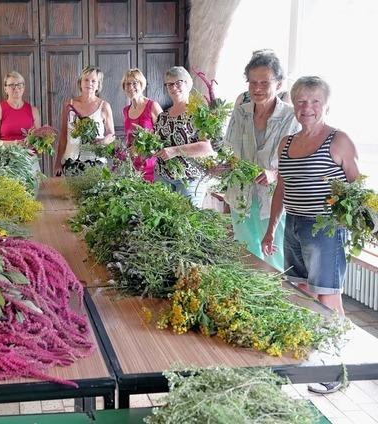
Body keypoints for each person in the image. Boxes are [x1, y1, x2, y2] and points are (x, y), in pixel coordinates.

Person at [261, 76, 359, 394]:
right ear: (294, 105)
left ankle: (338, 367)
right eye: (301, 101)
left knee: (328, 297)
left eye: (315, 101)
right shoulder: (286, 143)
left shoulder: (338, 140)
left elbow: (357, 190)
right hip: (294, 226)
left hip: (325, 230)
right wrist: (271, 227)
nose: (308, 108)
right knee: (302, 294)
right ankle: (312, 356)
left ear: (326, 104)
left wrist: (349, 225)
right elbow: (281, 188)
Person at [223, 50, 300, 271]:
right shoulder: (240, 113)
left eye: (264, 83)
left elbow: (297, 164)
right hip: (241, 197)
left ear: (279, 83)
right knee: (246, 257)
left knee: (274, 258)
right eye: (252, 82)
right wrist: (221, 166)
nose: (257, 89)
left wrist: (273, 174)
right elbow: (230, 153)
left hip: (273, 200)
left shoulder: (291, 117)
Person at [153, 66, 215, 207]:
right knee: (161, 220)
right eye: (169, 84)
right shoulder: (163, 116)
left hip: (189, 177)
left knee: (187, 221)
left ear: (188, 83)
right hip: (162, 175)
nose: (173, 88)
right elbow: (157, 143)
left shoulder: (199, 113)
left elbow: (207, 148)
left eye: (178, 83)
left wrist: (175, 151)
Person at [54, 66, 115, 175]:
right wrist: (58, 162)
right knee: (72, 192)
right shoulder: (68, 105)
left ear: (98, 85)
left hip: (96, 161)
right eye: (86, 80)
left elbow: (112, 135)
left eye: (93, 81)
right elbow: (63, 135)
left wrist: (104, 141)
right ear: (80, 82)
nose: (89, 83)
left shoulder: (104, 106)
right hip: (71, 161)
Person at [122, 68, 163, 182]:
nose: (131, 87)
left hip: (151, 165)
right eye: (127, 84)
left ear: (142, 85)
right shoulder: (125, 110)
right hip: (133, 166)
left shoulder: (152, 106)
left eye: (135, 83)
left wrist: (145, 143)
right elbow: (129, 138)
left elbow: (164, 135)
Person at [0, 71, 40, 145]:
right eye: (12, 85)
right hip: (6, 156)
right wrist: (14, 143)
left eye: (20, 84)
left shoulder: (33, 110)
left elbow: (39, 138)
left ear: (23, 87)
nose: (16, 88)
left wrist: (34, 139)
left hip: (30, 156)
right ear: (5, 89)